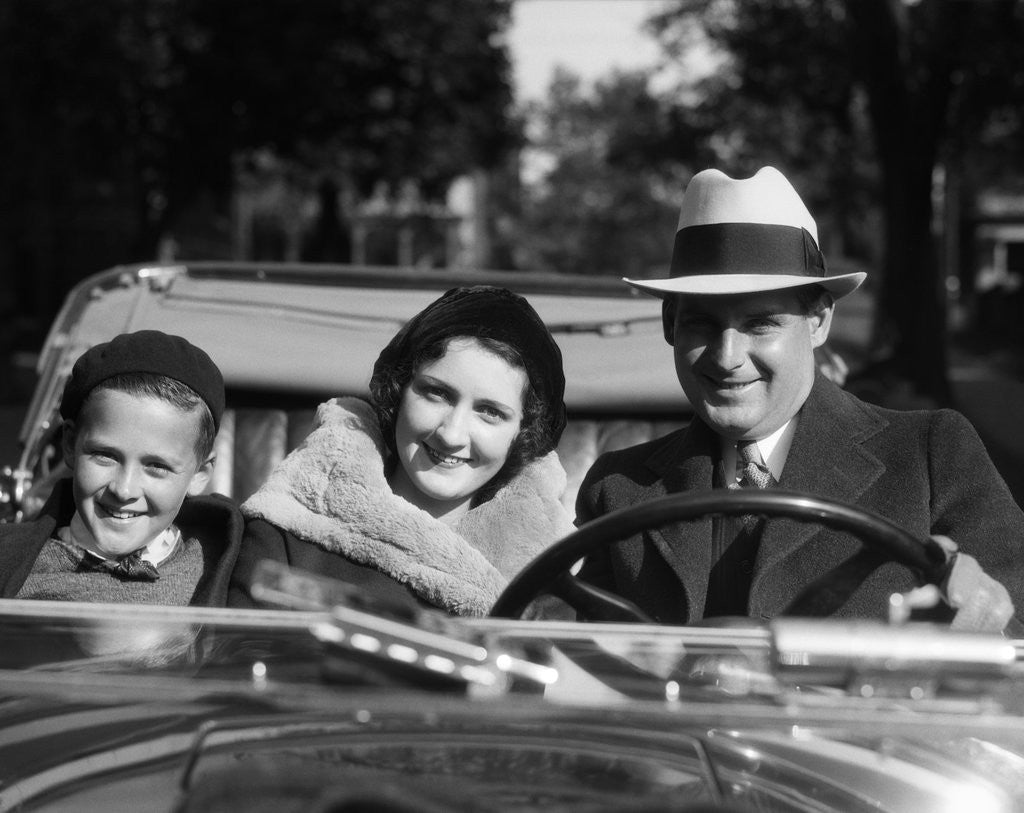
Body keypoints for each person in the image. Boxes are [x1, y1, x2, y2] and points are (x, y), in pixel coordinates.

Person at [576, 166, 1024, 631]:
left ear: (818, 322)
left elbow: (1013, 615)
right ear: (670, 324)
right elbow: (564, 642)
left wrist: (980, 617)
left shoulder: (931, 457)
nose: (727, 357)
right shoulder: (618, 488)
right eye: (700, 324)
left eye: (760, 324)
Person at [229, 285, 575, 617]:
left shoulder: (550, 575)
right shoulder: (287, 533)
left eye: (490, 412)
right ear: (398, 390)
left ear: (524, 433)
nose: (452, 434)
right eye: (436, 393)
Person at [0, 330, 243, 605]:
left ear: (200, 474)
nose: (124, 490)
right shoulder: (11, 566)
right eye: (105, 456)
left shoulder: (225, 572)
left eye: (156, 466)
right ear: (69, 444)